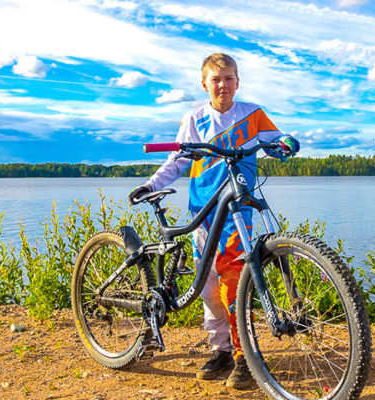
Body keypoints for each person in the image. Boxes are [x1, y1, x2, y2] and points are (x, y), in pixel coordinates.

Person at [128, 53, 299, 388]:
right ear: (204, 83)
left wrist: (287, 143)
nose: (223, 85)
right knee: (207, 288)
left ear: (238, 81)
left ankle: (244, 356)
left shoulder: (253, 114)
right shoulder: (194, 118)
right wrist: (152, 184)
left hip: (239, 211)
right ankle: (221, 350)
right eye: (216, 79)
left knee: (235, 284)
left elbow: (276, 139)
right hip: (203, 212)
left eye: (229, 78)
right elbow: (177, 160)